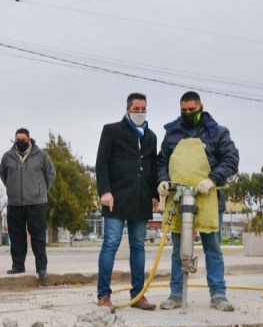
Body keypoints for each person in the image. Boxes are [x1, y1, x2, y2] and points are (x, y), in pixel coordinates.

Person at [156, 91, 239, 312]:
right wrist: (162, 179)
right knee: (178, 249)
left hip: (208, 198)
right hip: (178, 197)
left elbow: (231, 159)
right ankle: (176, 294)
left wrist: (213, 179)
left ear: (201, 106)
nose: (188, 113)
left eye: (192, 110)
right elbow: (162, 161)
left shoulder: (216, 132)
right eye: (184, 110)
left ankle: (218, 294)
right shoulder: (172, 133)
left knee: (212, 247)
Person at [95, 92, 159, 311]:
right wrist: (105, 191)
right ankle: (104, 295)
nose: (140, 112)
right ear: (128, 110)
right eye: (136, 109)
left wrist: (154, 194)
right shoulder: (111, 130)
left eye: (143, 109)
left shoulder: (150, 136)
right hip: (116, 198)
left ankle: (138, 295)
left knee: (138, 246)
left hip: (141, 198)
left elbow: (152, 166)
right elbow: (102, 162)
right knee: (111, 243)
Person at [0, 128, 56, 281]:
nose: (20, 142)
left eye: (23, 140)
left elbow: (51, 174)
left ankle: (41, 268)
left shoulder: (41, 155)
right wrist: (12, 188)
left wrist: (41, 191)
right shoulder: (7, 156)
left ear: (29, 140)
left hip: (36, 203)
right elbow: (3, 175)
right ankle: (18, 265)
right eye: (17, 140)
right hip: (14, 203)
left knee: (38, 236)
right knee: (16, 236)